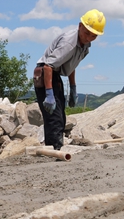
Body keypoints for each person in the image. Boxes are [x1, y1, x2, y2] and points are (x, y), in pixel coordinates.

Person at [34, 9, 106, 150]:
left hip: (55, 75)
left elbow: (71, 65)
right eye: (87, 33)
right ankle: (54, 150)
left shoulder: (84, 45)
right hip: (45, 74)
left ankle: (56, 147)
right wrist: (49, 93)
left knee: (61, 116)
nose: (89, 38)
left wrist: (73, 87)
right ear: (80, 26)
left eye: (94, 36)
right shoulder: (69, 44)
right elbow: (48, 66)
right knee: (54, 118)